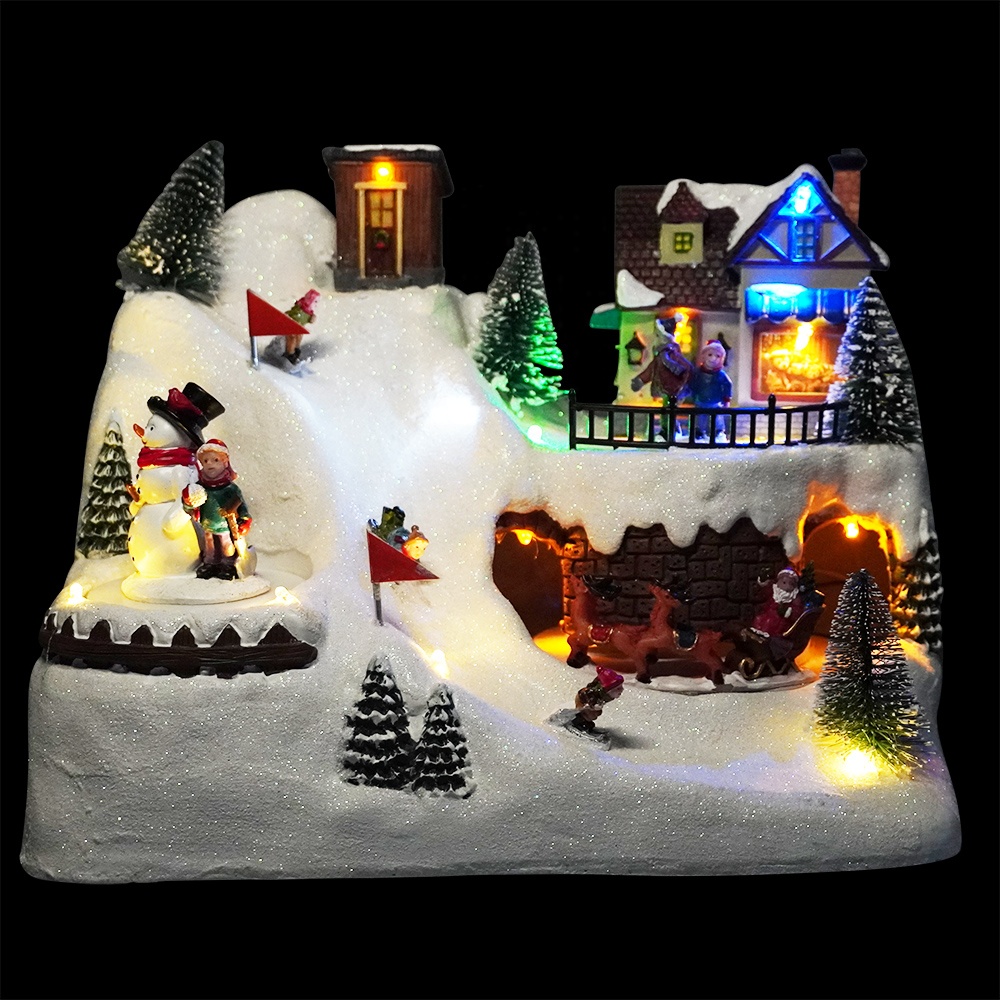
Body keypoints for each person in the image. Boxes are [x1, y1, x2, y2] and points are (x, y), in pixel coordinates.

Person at [182, 439, 252, 580]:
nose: (210, 464)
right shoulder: (200, 487)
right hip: (207, 524)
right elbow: (191, 506)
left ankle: (228, 564)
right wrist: (189, 502)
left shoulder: (230, 488)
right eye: (205, 461)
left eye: (215, 460)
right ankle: (211, 564)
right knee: (210, 546)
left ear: (225, 463)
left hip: (225, 526)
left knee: (227, 545)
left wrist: (245, 520)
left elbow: (241, 504)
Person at [749, 567, 804, 657]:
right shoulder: (774, 590)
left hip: (782, 620)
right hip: (767, 613)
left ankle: (767, 641)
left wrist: (788, 612)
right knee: (759, 619)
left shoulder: (794, 598)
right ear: (779, 582)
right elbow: (765, 590)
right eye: (784, 582)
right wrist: (763, 579)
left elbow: (797, 612)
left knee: (772, 623)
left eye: (791, 584)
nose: (787, 587)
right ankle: (757, 636)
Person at [685, 340, 732, 442]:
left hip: (716, 401)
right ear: (703, 356)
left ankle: (719, 432)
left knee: (718, 417)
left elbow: (728, 385)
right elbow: (692, 383)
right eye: (710, 355)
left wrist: (727, 399)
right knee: (700, 417)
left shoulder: (721, 375)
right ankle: (699, 432)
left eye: (717, 356)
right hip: (700, 400)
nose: (713, 358)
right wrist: (691, 393)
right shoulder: (697, 373)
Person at [283, 289, 321, 366]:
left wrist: (312, 318)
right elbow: (292, 314)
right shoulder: (299, 307)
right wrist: (286, 315)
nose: (316, 304)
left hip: (299, 329)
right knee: (292, 338)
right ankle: (289, 355)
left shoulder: (309, 313)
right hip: (292, 327)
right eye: (315, 301)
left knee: (298, 337)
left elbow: (310, 320)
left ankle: (295, 353)